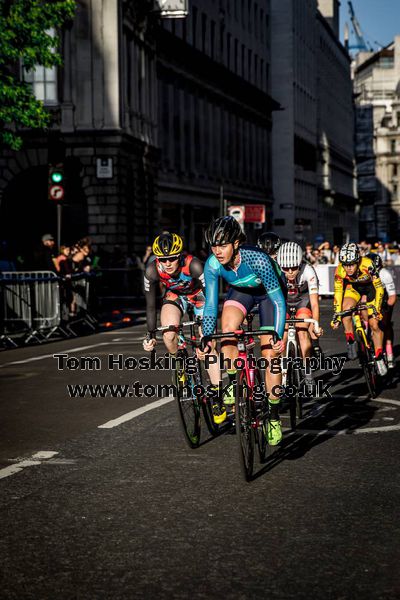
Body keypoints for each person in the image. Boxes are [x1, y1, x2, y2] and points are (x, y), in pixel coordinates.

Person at [201, 216, 286, 445]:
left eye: (223, 245)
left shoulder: (258, 259)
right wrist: (207, 336)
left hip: (269, 295)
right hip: (242, 292)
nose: (217, 251)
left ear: (236, 242)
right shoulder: (212, 264)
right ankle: (233, 381)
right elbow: (210, 305)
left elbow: (278, 301)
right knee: (227, 330)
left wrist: (277, 333)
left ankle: (274, 414)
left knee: (270, 355)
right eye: (214, 246)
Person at [142, 232, 220, 396]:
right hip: (175, 295)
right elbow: (150, 306)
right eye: (163, 259)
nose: (168, 263)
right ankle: (179, 364)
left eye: (172, 258)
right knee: (169, 335)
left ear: (181, 255)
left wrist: (206, 335)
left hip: (199, 295)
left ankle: (217, 392)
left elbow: (211, 299)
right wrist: (150, 335)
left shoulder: (194, 265)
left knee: (208, 344)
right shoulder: (151, 270)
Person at [331, 243, 387, 376]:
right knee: (345, 309)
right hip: (354, 288)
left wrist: (376, 309)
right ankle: (351, 341)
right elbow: (338, 293)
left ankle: (379, 357)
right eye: (345, 264)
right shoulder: (340, 270)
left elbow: (379, 288)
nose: (348, 268)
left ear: (358, 260)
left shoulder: (367, 264)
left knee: (374, 324)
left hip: (371, 289)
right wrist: (337, 314)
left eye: (351, 264)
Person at [277, 242, 323, 381]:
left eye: (294, 268)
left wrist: (316, 325)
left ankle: (308, 372)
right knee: (282, 338)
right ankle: (283, 372)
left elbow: (314, 303)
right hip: (283, 301)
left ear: (300, 263)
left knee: (302, 332)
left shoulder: (308, 270)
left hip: (302, 301)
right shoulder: (276, 271)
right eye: (286, 268)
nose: (290, 272)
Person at [367, 253, 397, 369]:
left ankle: (389, 352)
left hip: (384, 300)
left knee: (385, 325)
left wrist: (386, 313)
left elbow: (392, 298)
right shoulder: (363, 273)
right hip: (371, 299)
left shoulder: (385, 274)